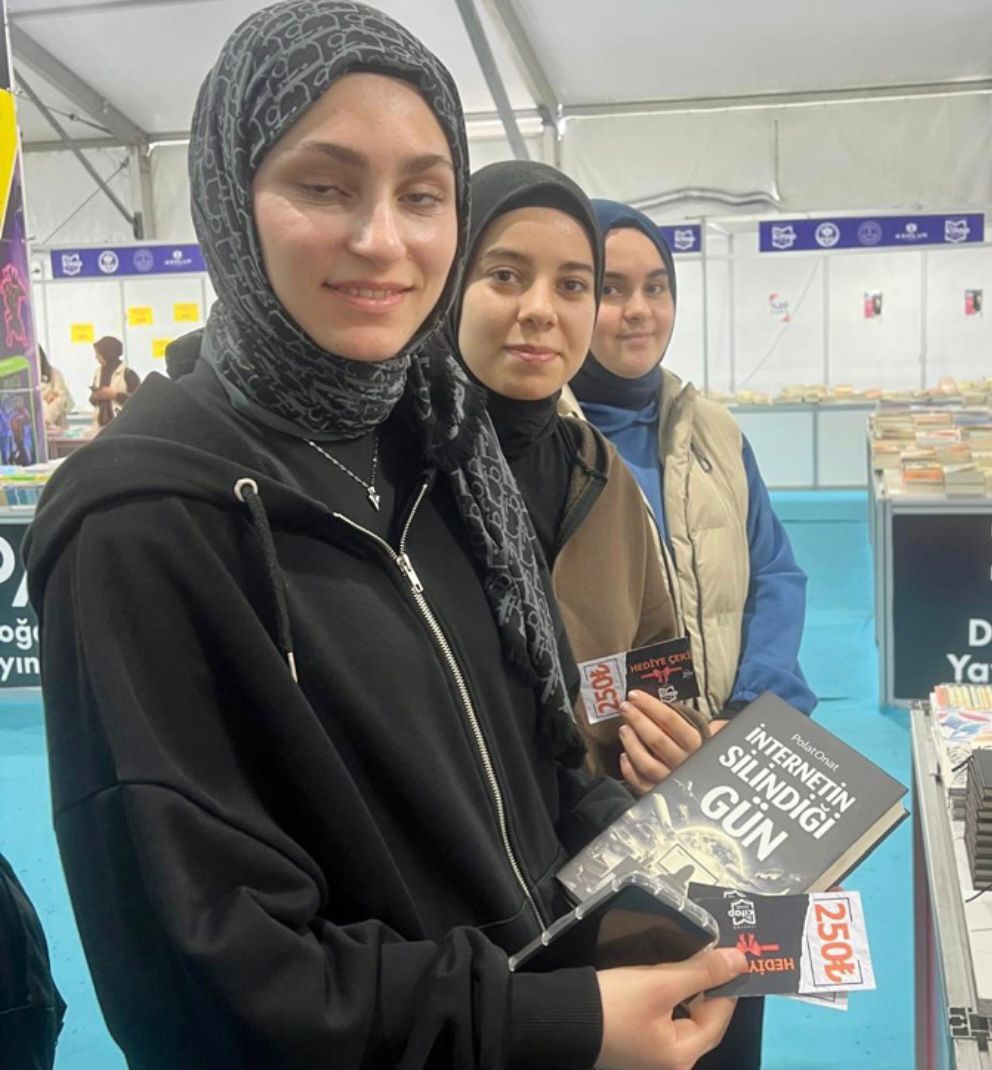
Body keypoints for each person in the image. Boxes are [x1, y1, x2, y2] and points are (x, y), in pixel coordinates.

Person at [23, 4, 744, 1068]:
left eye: (422, 194)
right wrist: (548, 1025)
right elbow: (202, 985)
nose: (382, 240)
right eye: (323, 186)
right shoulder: (139, 520)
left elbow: (541, 767)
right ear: (230, 195)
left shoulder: (445, 448)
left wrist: (686, 870)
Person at [441, 159, 705, 792]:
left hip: (604, 830)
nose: (540, 310)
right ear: (448, 284)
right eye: (505, 276)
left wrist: (672, 744)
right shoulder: (404, 474)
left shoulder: (599, 471)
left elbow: (656, 659)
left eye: (572, 284)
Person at [570, 200, 817, 725]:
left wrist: (748, 708)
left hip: (735, 728)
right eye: (611, 289)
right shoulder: (544, 447)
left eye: (656, 287)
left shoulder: (711, 429)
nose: (640, 309)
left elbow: (773, 573)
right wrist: (658, 735)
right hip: (621, 751)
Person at [87, 335, 139, 429]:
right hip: (100, 426)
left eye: (98, 354)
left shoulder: (128, 374)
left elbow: (137, 403)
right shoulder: (98, 373)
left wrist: (115, 395)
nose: (96, 357)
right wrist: (95, 396)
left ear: (107, 353)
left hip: (122, 425)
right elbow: (93, 401)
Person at [38, 346, 71, 431]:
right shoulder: (26, 377)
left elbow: (61, 399)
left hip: (55, 424)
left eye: (38, 357)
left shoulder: (54, 374)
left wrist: (46, 420)